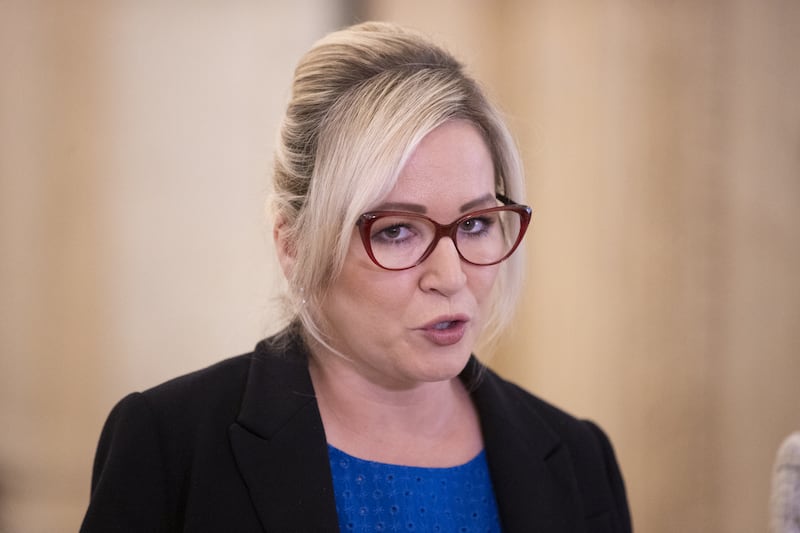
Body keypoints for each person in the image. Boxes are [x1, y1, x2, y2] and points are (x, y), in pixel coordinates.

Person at [81, 21, 631, 532]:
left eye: (477, 222)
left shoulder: (579, 457)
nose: (450, 274)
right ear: (293, 244)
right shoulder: (168, 443)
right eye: (396, 230)